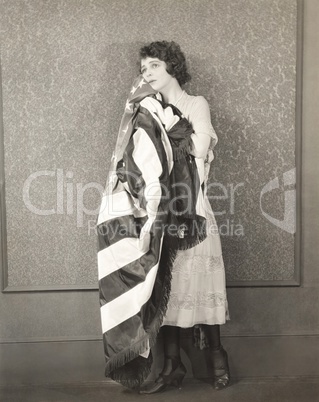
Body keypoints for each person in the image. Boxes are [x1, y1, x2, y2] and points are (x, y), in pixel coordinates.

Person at [137, 41, 230, 394]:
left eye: (155, 65)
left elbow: (200, 148)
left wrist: (167, 119)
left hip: (194, 210)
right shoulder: (146, 109)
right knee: (169, 288)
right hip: (164, 211)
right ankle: (172, 366)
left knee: (200, 285)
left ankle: (217, 358)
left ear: (172, 67)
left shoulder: (195, 104)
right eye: (144, 68)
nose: (147, 72)